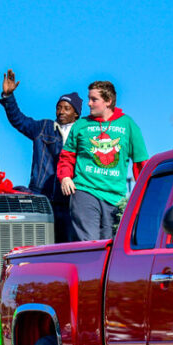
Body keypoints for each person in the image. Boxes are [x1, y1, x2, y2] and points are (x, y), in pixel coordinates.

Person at [57, 80, 149, 242]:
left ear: (108, 101)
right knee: (89, 243)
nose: (89, 103)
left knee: (111, 246)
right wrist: (65, 176)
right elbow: (67, 156)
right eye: (89, 99)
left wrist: (146, 193)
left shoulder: (128, 125)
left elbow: (140, 163)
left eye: (94, 99)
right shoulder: (81, 125)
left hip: (115, 197)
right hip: (85, 190)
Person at [0, 68, 81, 242]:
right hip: (42, 197)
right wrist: (9, 97)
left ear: (76, 114)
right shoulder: (43, 128)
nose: (61, 112)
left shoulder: (83, 135)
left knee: (67, 245)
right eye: (58, 108)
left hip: (70, 201)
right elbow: (19, 121)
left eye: (66, 108)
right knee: (40, 242)